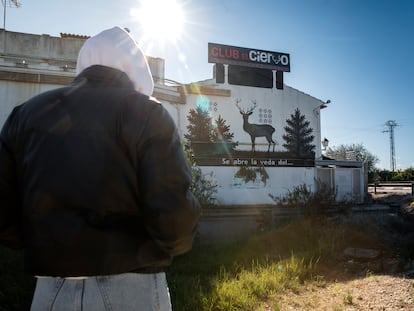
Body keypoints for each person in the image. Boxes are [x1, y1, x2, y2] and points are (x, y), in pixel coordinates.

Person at [0, 26, 201, 310]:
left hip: (50, 291)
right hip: (133, 290)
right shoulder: (149, 113)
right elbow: (174, 222)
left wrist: (44, 244)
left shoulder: (25, 114)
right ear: (137, 71)